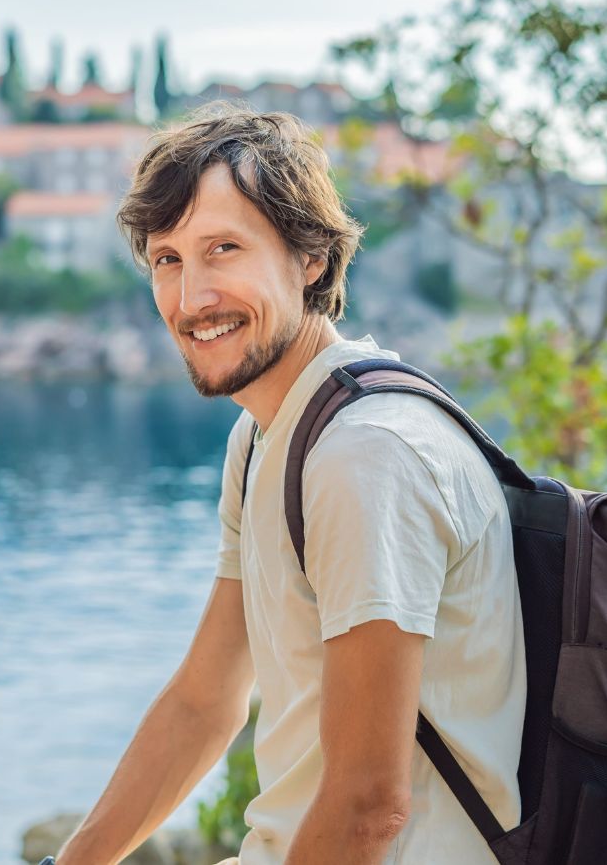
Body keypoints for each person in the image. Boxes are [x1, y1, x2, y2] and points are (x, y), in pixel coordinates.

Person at [47, 102, 526, 865]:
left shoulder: (364, 455)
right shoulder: (273, 433)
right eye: (167, 259)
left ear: (309, 257)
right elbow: (205, 704)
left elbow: (371, 803)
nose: (191, 297)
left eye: (224, 249)